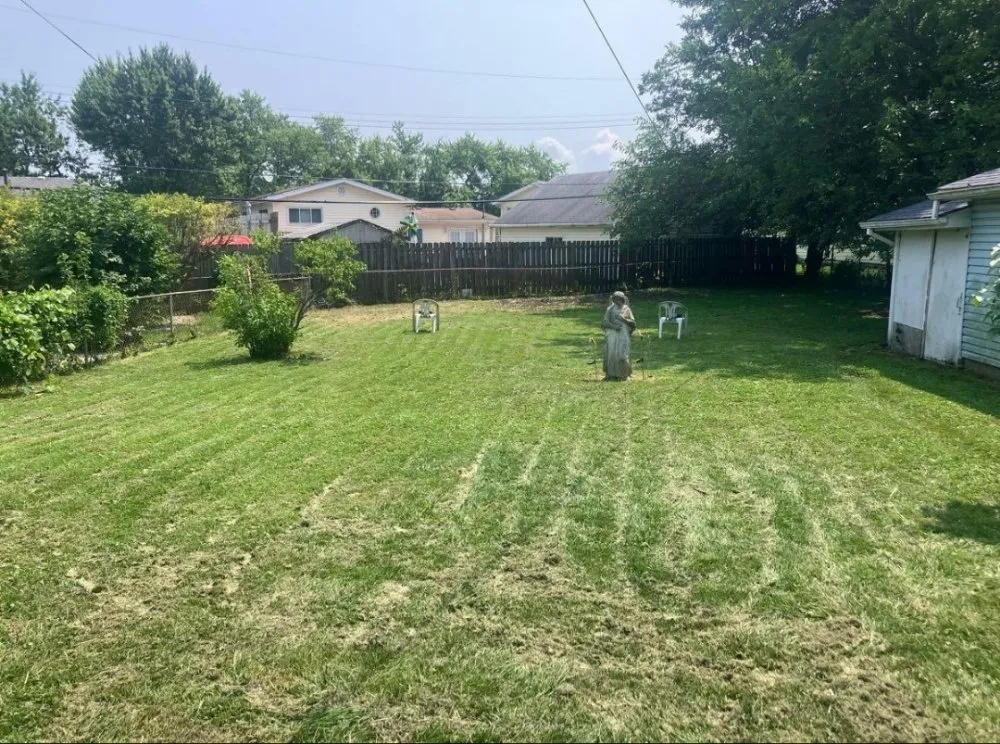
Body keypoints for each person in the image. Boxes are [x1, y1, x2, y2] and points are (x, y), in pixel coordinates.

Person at [602, 291, 636, 380]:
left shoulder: (626, 309)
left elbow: (633, 323)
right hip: (612, 335)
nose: (618, 302)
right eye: (615, 300)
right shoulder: (610, 309)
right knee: (611, 355)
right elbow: (604, 323)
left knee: (622, 355)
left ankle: (624, 375)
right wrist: (614, 326)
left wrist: (623, 319)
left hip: (623, 335)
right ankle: (611, 375)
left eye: (619, 300)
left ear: (623, 300)